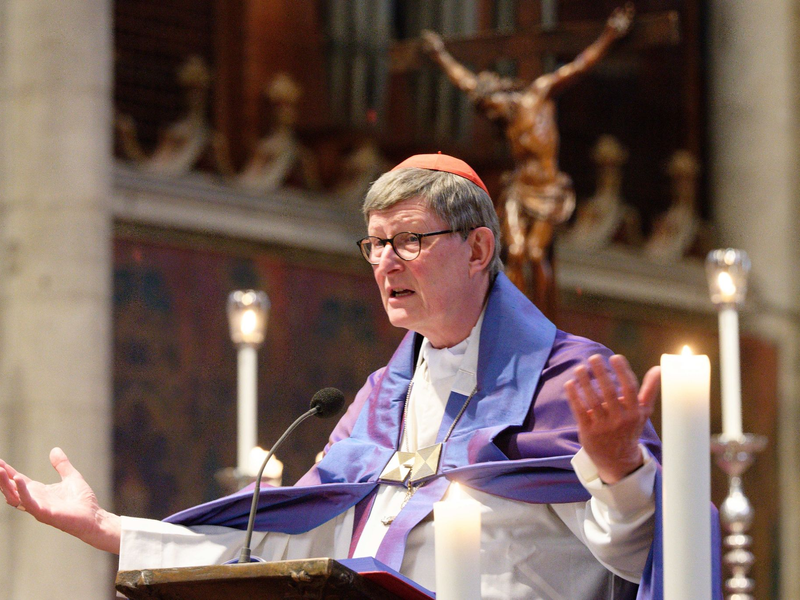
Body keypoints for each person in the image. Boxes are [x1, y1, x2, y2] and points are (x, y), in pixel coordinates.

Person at [2, 153, 667, 599]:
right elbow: (291, 537)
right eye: (375, 244)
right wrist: (110, 529)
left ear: (479, 249)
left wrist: (619, 476)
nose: (385, 263)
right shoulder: (381, 399)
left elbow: (641, 562)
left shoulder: (569, 383)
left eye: (410, 239)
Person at [421, 4, 634, 317]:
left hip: (548, 189)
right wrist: (440, 54)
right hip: (519, 189)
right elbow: (466, 83)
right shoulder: (502, 114)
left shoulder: (540, 94)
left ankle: (545, 317)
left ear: (502, 94)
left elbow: (579, 66)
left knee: (535, 253)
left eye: (491, 105)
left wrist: (609, 34)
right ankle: (516, 320)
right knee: (515, 253)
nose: (491, 114)